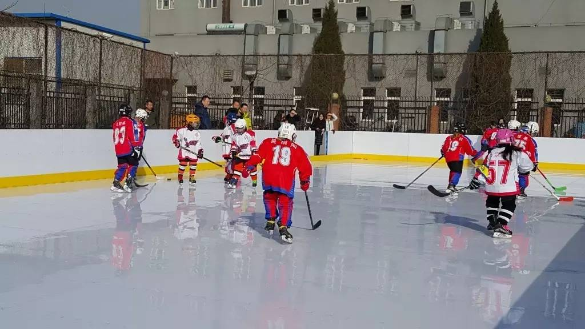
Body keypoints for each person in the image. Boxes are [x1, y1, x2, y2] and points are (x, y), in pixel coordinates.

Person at [246, 123, 313, 244]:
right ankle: (283, 226)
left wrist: (249, 165)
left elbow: (257, 156)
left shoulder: (267, 142)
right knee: (285, 202)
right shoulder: (297, 148)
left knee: (269, 197)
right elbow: (305, 167)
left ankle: (271, 220)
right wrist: (305, 181)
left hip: (269, 177)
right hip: (285, 180)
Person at [472, 129, 533, 238]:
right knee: (509, 204)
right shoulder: (517, 153)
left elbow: (484, 168)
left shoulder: (492, 153)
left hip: (491, 186)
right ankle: (501, 224)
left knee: (492, 201)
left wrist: (477, 179)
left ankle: (492, 222)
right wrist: (524, 170)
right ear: (511, 139)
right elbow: (527, 167)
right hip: (508, 187)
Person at [111, 104, 143, 193]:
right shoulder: (130, 122)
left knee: (122, 166)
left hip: (118, 148)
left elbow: (114, 137)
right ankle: (128, 184)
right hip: (128, 148)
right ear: (128, 112)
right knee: (134, 164)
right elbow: (133, 135)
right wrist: (137, 146)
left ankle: (115, 183)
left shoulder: (115, 123)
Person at [440, 123, 478, 193]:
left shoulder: (449, 138)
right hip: (457, 158)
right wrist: (476, 154)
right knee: (457, 172)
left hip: (448, 159)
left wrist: (443, 152)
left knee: (453, 171)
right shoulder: (464, 138)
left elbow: (444, 148)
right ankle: (452, 185)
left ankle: (450, 185)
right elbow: (469, 150)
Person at [172, 114, 204, 187]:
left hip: (193, 151)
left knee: (193, 164)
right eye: (195, 122)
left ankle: (192, 177)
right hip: (184, 151)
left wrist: (200, 151)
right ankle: (180, 176)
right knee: (183, 164)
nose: (196, 124)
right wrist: (176, 142)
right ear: (190, 122)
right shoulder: (181, 130)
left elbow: (198, 143)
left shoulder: (197, 133)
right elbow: (175, 137)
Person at [228, 118, 258, 188]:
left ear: (244, 127)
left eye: (240, 128)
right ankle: (234, 180)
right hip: (240, 156)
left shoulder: (249, 134)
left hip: (249, 156)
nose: (238, 130)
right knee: (237, 168)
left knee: (252, 170)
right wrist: (233, 151)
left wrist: (254, 152)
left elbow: (252, 143)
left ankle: (254, 180)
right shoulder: (235, 136)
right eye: (237, 128)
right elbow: (234, 144)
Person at [514, 121, 539, 198]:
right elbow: (533, 153)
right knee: (523, 176)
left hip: (512, 157)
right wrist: (535, 163)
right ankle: (520, 191)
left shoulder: (515, 135)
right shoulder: (531, 140)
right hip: (522, 159)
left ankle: (511, 190)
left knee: (511, 174)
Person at [213, 111, 238, 183]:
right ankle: (229, 174)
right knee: (228, 162)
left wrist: (234, 147)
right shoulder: (227, 128)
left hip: (231, 148)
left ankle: (232, 175)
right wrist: (217, 138)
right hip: (226, 148)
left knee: (232, 162)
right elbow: (222, 136)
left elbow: (236, 137)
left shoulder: (233, 127)